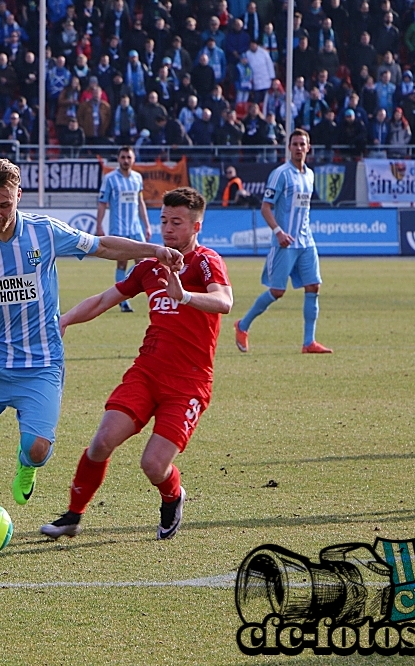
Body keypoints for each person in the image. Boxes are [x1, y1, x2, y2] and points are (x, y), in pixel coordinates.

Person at [0, 159, 184, 545]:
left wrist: (154, 250)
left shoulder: (44, 232)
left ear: (18, 197)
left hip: (41, 364)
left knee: (38, 448)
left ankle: (26, 464)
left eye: (5, 205)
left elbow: (103, 245)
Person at [40, 187, 232, 541]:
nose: (169, 229)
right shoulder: (149, 266)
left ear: (196, 226)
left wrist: (185, 296)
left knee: (153, 464)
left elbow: (224, 301)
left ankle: (173, 496)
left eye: (177, 222)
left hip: (189, 382)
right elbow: (104, 299)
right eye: (164, 221)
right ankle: (72, 516)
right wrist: (63, 320)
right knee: (101, 442)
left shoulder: (206, 261)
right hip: (147, 372)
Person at [234, 129, 332, 354]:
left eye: (302, 144)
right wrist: (278, 232)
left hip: (306, 241)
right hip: (284, 243)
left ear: (309, 148)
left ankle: (309, 343)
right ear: (289, 147)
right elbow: (265, 207)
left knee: (313, 286)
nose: (298, 148)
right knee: (277, 291)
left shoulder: (310, 175)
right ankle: (243, 324)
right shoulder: (280, 174)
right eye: (295, 144)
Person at [96, 146, 151, 313]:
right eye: (123, 157)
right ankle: (123, 300)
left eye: (129, 157)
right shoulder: (110, 178)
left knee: (143, 264)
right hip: (118, 228)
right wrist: (99, 224)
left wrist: (146, 224)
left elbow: (140, 202)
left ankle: (151, 297)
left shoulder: (137, 178)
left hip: (135, 228)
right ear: (118, 159)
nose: (126, 160)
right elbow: (102, 203)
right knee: (122, 263)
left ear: (133, 159)